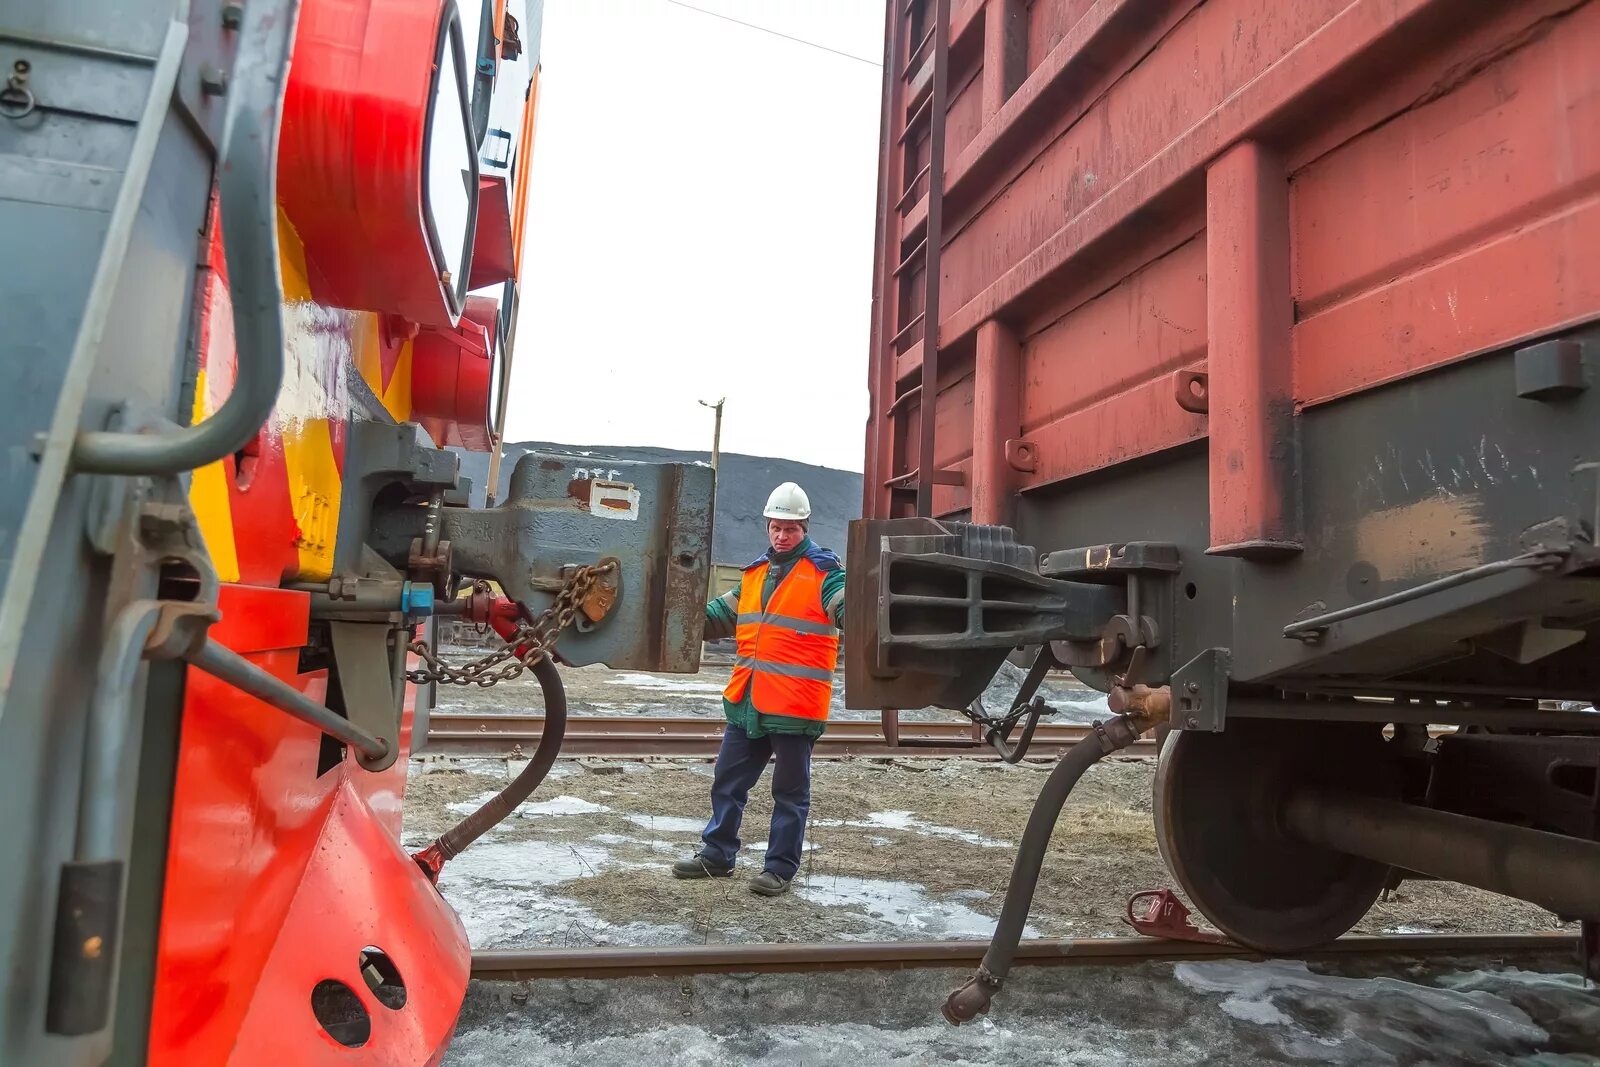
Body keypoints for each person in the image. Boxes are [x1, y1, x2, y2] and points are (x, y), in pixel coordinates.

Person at [671, 482, 845, 896]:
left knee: (789, 793)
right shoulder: (754, 575)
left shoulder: (825, 573)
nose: (782, 535)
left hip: (794, 707)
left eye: (790, 529)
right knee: (727, 783)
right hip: (747, 701)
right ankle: (717, 855)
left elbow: (844, 607)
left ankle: (779, 869)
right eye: (775, 527)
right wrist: (677, 612)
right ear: (767, 527)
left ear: (804, 528)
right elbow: (716, 616)